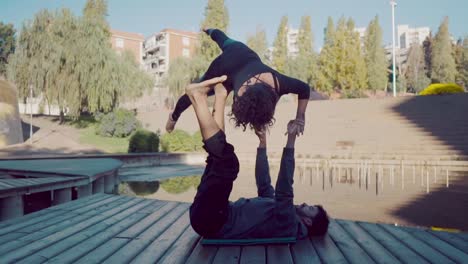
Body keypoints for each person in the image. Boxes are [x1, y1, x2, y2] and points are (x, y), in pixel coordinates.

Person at [186, 75, 329, 239]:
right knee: (219, 158)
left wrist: (291, 140)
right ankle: (220, 96)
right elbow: (264, 184)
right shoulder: (277, 213)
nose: (305, 203)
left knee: (227, 164)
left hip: (212, 221)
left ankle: (198, 97)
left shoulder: (288, 223)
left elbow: (285, 190)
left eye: (309, 208)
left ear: (307, 222)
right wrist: (262, 143)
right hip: (213, 213)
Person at [167, 28, 323, 135]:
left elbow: (304, 89)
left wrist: (300, 118)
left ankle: (209, 29)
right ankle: (173, 116)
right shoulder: (241, 95)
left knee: (222, 38)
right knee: (196, 93)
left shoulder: (280, 83)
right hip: (223, 67)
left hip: (242, 51)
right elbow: (244, 114)